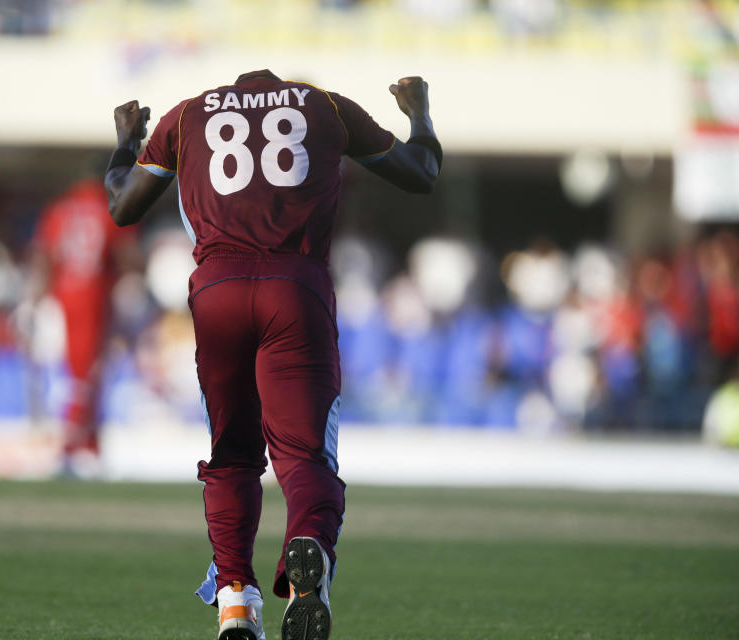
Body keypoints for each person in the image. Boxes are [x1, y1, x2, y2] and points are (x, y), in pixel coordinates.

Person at [105, 70, 441, 640]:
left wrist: (124, 142)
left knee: (232, 454)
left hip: (218, 292)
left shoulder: (187, 116)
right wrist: (420, 114)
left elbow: (122, 206)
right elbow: (421, 175)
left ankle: (236, 598)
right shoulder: (327, 107)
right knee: (304, 458)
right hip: (296, 287)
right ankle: (307, 552)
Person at [30, 179, 133, 474]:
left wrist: (40, 295)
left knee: (80, 373)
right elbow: (125, 252)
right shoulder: (109, 207)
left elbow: (44, 253)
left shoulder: (60, 208)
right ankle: (71, 448)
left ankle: (89, 444)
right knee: (86, 374)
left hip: (62, 294)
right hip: (94, 295)